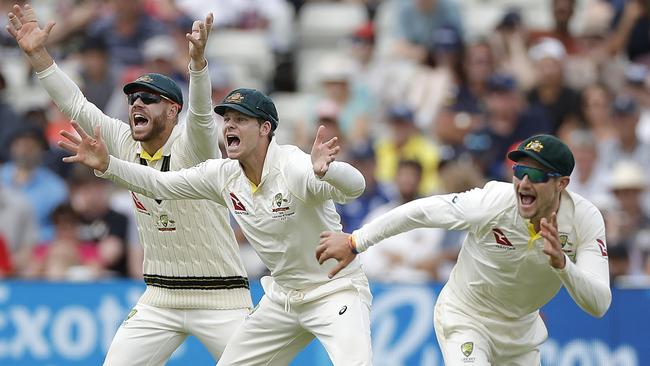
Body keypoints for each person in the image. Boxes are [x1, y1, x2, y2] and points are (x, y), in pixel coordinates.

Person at [6, 4, 252, 365]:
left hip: (221, 296)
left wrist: (197, 65)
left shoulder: (193, 144)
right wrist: (39, 55)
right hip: (160, 298)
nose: (137, 103)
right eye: (133, 98)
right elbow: (75, 105)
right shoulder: (124, 141)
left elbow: (201, 114)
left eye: (149, 99)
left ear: (172, 111)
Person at [58, 88, 372, 365]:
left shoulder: (295, 166)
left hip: (335, 290)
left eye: (241, 119)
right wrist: (108, 165)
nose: (230, 126)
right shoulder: (223, 175)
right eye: (227, 119)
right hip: (284, 299)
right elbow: (160, 183)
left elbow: (355, 186)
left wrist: (326, 172)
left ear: (265, 128)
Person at [317, 134, 611, 365]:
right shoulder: (493, 202)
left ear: (562, 183)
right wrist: (356, 242)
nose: (522, 183)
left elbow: (599, 304)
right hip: (467, 316)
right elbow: (421, 212)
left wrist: (563, 265)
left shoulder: (585, 220)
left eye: (535, 176)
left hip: (522, 333)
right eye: (519, 171)